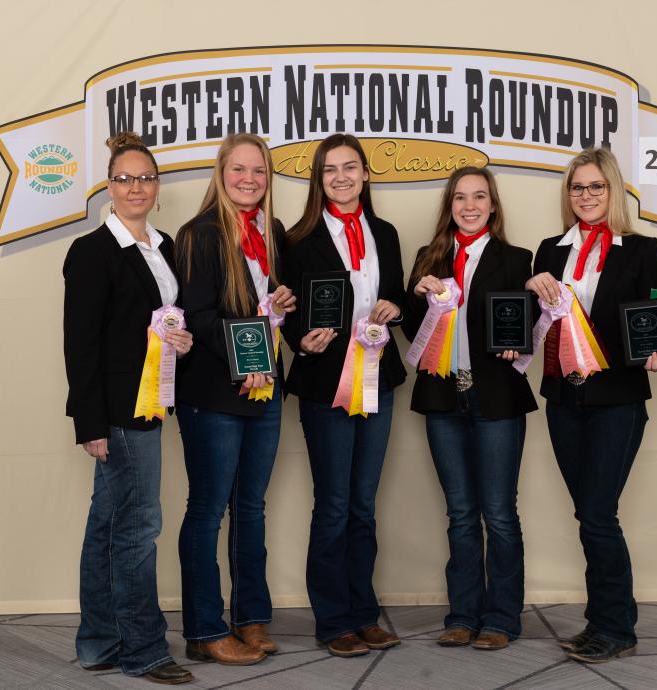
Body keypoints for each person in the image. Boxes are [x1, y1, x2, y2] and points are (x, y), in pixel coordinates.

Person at [525, 147, 657, 663]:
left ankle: (615, 628)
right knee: (588, 513)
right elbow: (536, 325)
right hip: (564, 398)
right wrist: (530, 287)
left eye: (596, 186)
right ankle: (603, 622)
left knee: (599, 514)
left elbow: (651, 318)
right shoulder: (549, 251)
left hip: (618, 400)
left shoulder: (642, 249)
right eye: (577, 187)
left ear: (613, 190)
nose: (585, 195)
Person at [63, 132, 194, 684]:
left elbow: (167, 323)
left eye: (145, 178)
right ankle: (143, 649)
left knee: (107, 525)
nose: (135, 187)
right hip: (118, 412)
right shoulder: (92, 252)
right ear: (109, 187)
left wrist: (181, 342)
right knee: (138, 527)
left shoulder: (165, 247)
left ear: (157, 186)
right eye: (124, 179)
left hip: (152, 402)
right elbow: (81, 345)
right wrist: (90, 424)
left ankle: (98, 642)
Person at [402, 167, 537, 651]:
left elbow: (527, 323)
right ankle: (462, 615)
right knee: (460, 513)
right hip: (444, 397)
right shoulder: (428, 258)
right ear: (450, 206)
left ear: (493, 205)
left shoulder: (518, 259)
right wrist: (417, 297)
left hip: (495, 396)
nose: (470, 206)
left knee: (498, 514)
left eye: (479, 197)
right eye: (460, 198)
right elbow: (413, 333)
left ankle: (501, 617)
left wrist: (518, 342)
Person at [282, 134, 406, 657]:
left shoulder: (386, 233)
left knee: (363, 505)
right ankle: (333, 620)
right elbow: (285, 308)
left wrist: (395, 308)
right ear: (319, 178)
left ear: (365, 174)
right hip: (324, 384)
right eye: (330, 169)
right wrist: (300, 342)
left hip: (378, 380)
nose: (341, 177)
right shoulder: (296, 239)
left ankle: (363, 613)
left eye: (350, 167)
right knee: (333, 505)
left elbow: (396, 293)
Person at [174, 133, 296, 666]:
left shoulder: (273, 233)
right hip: (214, 392)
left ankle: (250, 617)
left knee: (251, 507)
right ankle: (204, 629)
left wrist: (284, 302)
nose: (250, 179)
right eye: (239, 169)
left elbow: (271, 310)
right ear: (221, 173)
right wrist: (246, 359)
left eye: (259, 170)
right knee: (207, 510)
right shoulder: (198, 233)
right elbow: (198, 315)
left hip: (265, 389)